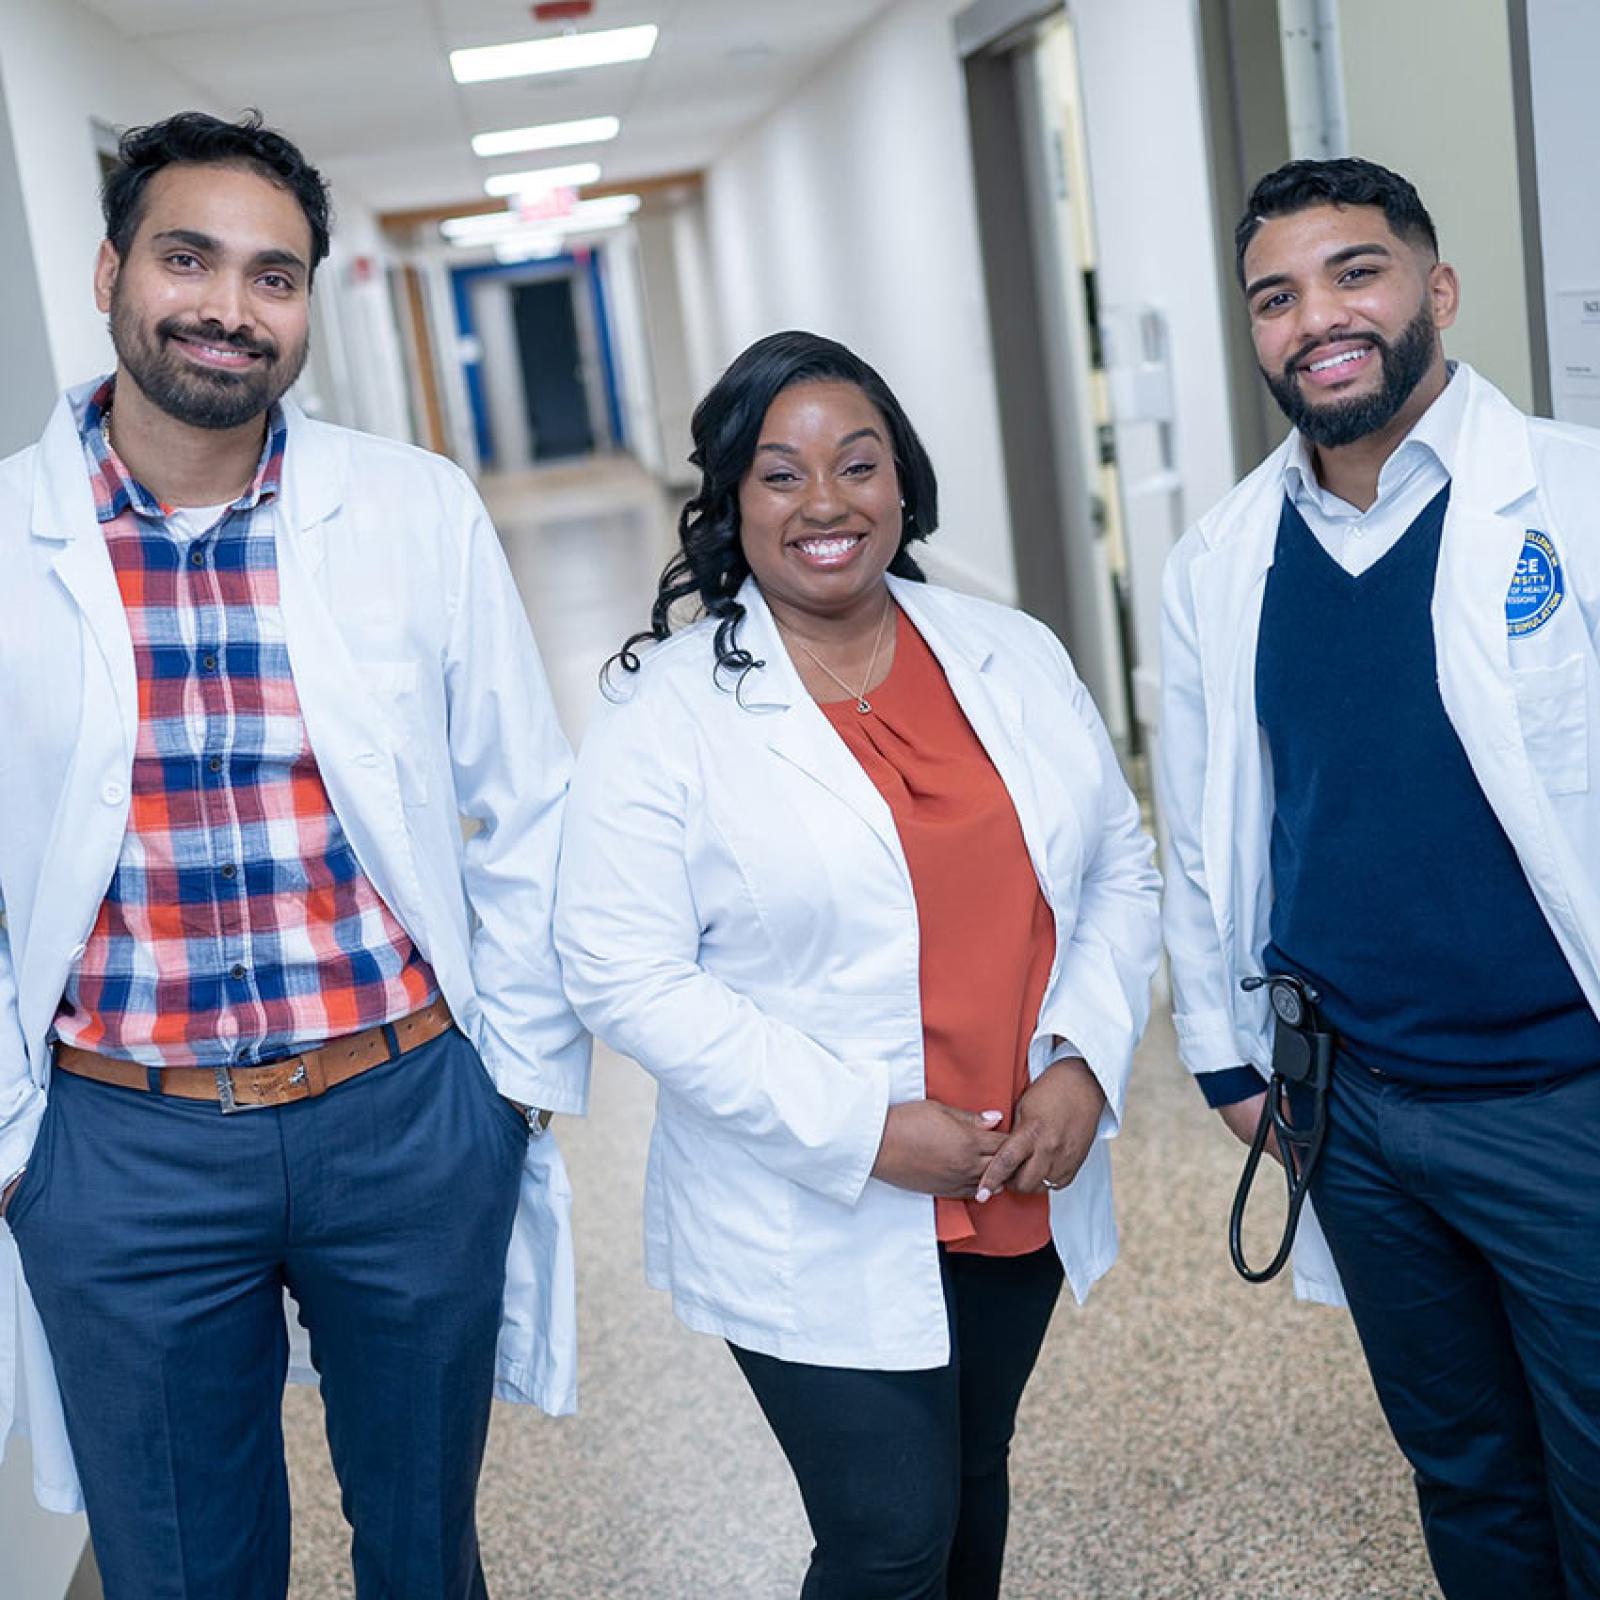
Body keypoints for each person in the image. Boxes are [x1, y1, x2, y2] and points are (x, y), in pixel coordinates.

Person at [0, 111, 589, 1599]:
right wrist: (25, 1154)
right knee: (184, 1568)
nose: (229, 305)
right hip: (120, 1146)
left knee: (420, 1545)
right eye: (187, 257)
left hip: (400, 1113)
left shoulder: (410, 509)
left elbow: (524, 807)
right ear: (108, 271)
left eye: (276, 274)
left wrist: (504, 1088)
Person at [555, 330, 1160, 1599]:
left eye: (858, 465)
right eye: (779, 474)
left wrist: (1084, 1065)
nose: (825, 503)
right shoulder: (665, 711)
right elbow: (620, 968)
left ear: (904, 485)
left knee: (968, 1481)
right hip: (815, 1194)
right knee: (886, 1531)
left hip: (1018, 1165)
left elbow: (1116, 866)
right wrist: (864, 1131)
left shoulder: (1012, 653)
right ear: (729, 503)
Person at [1158, 156, 1600, 1599]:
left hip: (1563, 1101)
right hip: (1356, 1109)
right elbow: (1207, 822)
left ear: (1437, 289)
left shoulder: (1575, 495)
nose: (1318, 319)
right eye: (1275, 297)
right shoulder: (1223, 556)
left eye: (1357, 272)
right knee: (1465, 1473)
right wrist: (1228, 1062)